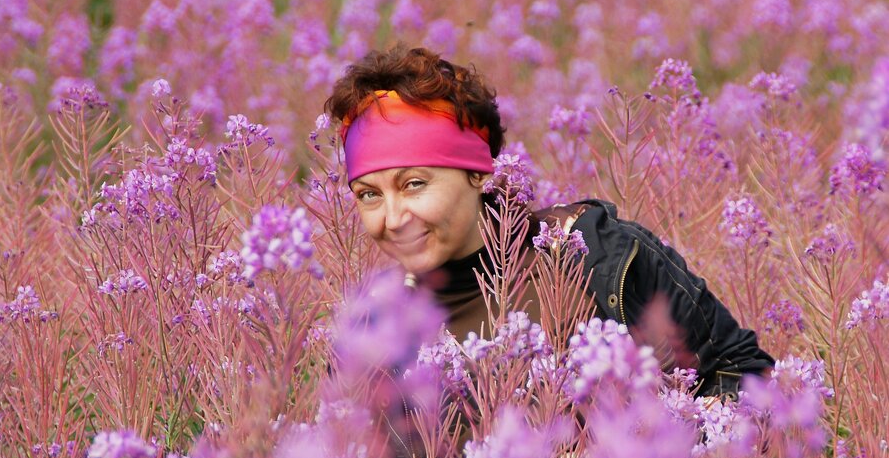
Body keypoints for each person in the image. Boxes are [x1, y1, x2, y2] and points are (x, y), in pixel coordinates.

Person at [324, 45, 773, 399]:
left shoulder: (592, 255)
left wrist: (689, 450)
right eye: (369, 195)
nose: (394, 217)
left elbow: (740, 370)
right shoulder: (370, 325)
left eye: (415, 184)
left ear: (478, 173)